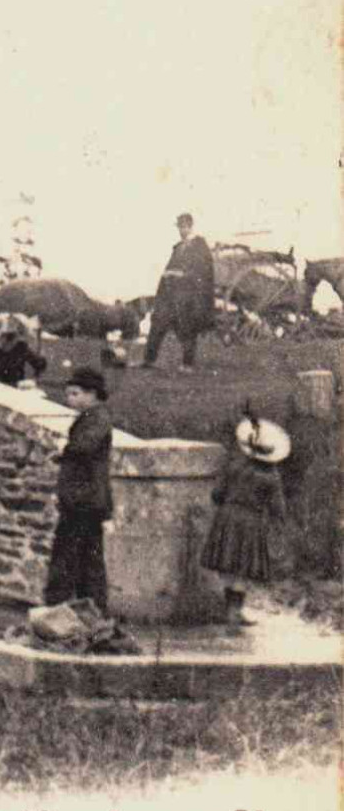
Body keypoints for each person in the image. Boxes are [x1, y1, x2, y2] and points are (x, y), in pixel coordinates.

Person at [201, 408, 289, 629]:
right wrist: (278, 525)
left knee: (229, 566)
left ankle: (230, 610)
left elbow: (217, 494)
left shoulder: (234, 466)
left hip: (228, 517)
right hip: (252, 522)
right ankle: (234, 612)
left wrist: (228, 504)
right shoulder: (271, 476)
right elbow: (278, 508)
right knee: (242, 569)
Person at [44, 366, 114, 610]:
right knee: (86, 558)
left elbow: (84, 447)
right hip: (85, 500)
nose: (69, 399)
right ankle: (89, 609)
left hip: (83, 501)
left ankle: (59, 605)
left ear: (92, 394)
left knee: (70, 556)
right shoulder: (91, 418)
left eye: (75, 393)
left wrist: (62, 449)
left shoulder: (98, 418)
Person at [142, 212, 215, 371]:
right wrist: (168, 275)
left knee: (187, 327)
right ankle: (149, 360)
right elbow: (171, 267)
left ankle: (187, 364)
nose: (181, 230)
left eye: (183, 227)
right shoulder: (178, 247)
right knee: (158, 322)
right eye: (179, 227)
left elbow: (203, 271)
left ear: (190, 226)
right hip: (170, 294)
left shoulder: (199, 246)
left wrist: (181, 275)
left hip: (188, 296)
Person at [0, 320, 48, 386]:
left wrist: (34, 380)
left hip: (14, 387)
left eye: (11, 337)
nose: (7, 341)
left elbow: (40, 365)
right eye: (4, 336)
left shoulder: (21, 347)